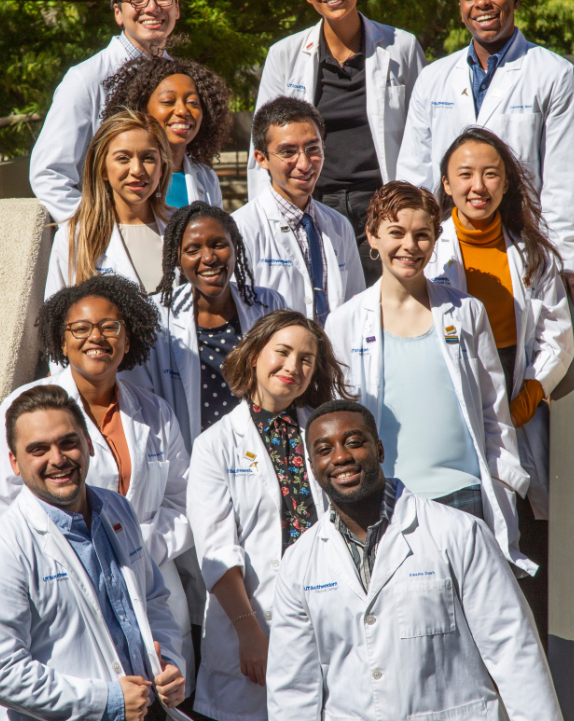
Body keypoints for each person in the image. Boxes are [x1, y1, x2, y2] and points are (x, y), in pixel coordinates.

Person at [266, 400, 562, 721]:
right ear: (312, 466)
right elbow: (293, 688)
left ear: (379, 450)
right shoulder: (299, 563)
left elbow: (512, 649)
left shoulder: (459, 532)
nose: (340, 457)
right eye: (324, 450)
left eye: (354, 442)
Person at [325, 181, 533, 575]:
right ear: (371, 235)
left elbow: (494, 414)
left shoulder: (467, 311)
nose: (410, 245)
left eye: (423, 234)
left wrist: (502, 483)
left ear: (436, 239)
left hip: (464, 497)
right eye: (396, 233)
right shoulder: (345, 321)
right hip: (388, 503)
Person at [0, 276, 195, 691]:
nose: (97, 338)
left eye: (110, 327)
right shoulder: (26, 409)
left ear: (128, 339)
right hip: (62, 588)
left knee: (162, 690)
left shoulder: (155, 411)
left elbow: (182, 498)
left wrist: (138, 549)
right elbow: (8, 504)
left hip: (150, 580)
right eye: (81, 328)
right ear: (62, 340)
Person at [428, 126, 574, 642]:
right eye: (465, 174)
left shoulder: (533, 255)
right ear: (445, 183)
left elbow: (557, 333)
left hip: (519, 405)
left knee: (527, 538)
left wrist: (530, 394)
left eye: (491, 174)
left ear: (507, 183)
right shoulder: (429, 250)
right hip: (453, 414)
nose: (478, 186)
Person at [187, 309, 354, 721]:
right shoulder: (216, 444)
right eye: (282, 352)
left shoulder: (321, 434)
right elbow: (217, 550)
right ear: (255, 354)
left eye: (306, 359)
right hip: (254, 624)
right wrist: (249, 631)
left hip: (326, 615)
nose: (292, 367)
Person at [248, 0, 426, 285]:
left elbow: (423, 134)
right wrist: (261, 217)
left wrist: (415, 208)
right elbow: (262, 141)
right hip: (315, 203)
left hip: (382, 204)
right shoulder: (285, 55)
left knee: (385, 303)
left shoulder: (401, 47)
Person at [0, 384, 188, 721]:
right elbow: (5, 672)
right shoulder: (8, 544)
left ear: (88, 443)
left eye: (68, 442)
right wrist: (107, 701)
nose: (57, 459)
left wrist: (170, 663)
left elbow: (153, 600)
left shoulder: (116, 508)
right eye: (38, 449)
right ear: (14, 462)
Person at [397, 0, 574, 287]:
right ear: (460, 6)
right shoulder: (433, 77)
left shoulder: (555, 74)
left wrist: (564, 260)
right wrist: (411, 244)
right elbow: (413, 172)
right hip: (447, 246)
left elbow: (564, 177)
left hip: (524, 245)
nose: (482, 3)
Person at [122, 203, 286, 453]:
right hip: (188, 455)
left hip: (260, 447)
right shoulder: (155, 315)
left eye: (218, 244)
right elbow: (140, 400)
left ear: (235, 248)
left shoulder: (268, 304)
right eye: (193, 249)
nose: (208, 258)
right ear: (177, 258)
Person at [30, 0, 180, 224]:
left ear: (177, 8)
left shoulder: (182, 79)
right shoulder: (85, 79)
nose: (152, 7)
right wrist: (100, 233)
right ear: (118, 13)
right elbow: (50, 174)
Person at [234, 97, 365, 324]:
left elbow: (356, 306)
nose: (304, 164)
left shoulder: (339, 225)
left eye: (313, 148)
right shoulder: (241, 228)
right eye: (287, 152)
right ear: (262, 159)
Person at [45, 110, 172, 299]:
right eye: (123, 158)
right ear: (102, 169)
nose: (137, 170)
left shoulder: (183, 228)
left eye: (148, 158)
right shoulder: (75, 238)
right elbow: (54, 322)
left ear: (162, 167)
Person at [102, 56, 231, 209]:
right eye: (168, 102)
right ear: (142, 108)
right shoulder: (124, 176)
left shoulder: (207, 179)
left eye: (193, 103)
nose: (182, 111)